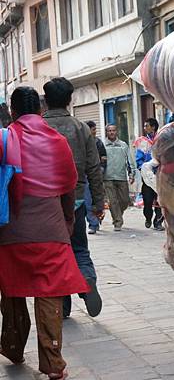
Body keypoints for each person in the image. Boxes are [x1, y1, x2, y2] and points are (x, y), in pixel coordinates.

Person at [0, 86, 89, 380]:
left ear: (12, 111)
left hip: (10, 231)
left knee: (12, 290)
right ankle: (53, 364)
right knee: (49, 294)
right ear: (40, 111)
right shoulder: (56, 140)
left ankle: (12, 348)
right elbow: (68, 187)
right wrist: (67, 222)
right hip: (51, 228)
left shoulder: (4, 140)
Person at [43, 77, 104, 318]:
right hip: (77, 200)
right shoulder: (80, 128)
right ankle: (87, 279)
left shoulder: (38, 127)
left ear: (46, 100)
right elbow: (94, 169)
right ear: (70, 100)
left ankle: (63, 305)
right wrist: (98, 202)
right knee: (79, 248)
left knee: (57, 253)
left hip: (47, 203)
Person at [135, 118, 164, 231]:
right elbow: (139, 159)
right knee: (147, 200)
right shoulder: (142, 142)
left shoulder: (161, 140)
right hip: (147, 177)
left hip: (160, 176)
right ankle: (148, 217)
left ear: (153, 127)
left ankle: (158, 221)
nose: (145, 128)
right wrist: (143, 168)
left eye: (146, 126)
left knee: (160, 199)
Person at [104, 124, 134, 231]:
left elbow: (130, 161)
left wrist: (132, 174)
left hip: (121, 176)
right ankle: (118, 221)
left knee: (125, 200)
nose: (111, 132)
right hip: (107, 177)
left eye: (113, 130)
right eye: (109, 131)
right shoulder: (103, 145)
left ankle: (117, 214)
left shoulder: (123, 145)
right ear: (106, 132)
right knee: (112, 201)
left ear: (117, 132)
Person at [84, 120, 107, 235]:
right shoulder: (81, 143)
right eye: (93, 129)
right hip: (86, 176)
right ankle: (93, 223)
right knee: (88, 201)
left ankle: (98, 217)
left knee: (98, 199)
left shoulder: (98, 142)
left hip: (97, 175)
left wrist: (101, 169)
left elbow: (104, 158)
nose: (94, 132)